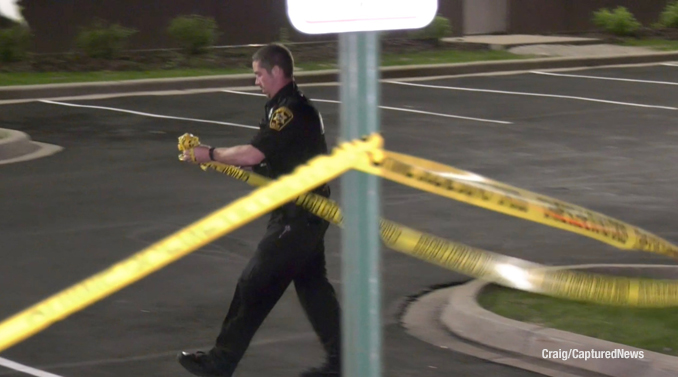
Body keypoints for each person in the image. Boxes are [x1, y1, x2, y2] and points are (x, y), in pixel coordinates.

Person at [177, 43, 342, 377]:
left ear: (276, 72)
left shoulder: (290, 110)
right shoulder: (279, 107)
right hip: (302, 212)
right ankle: (345, 362)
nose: (256, 81)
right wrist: (222, 161)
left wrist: (210, 154)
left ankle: (220, 363)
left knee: (254, 284)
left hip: (299, 215)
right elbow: (268, 159)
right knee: (312, 286)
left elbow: (253, 154)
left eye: (258, 74)